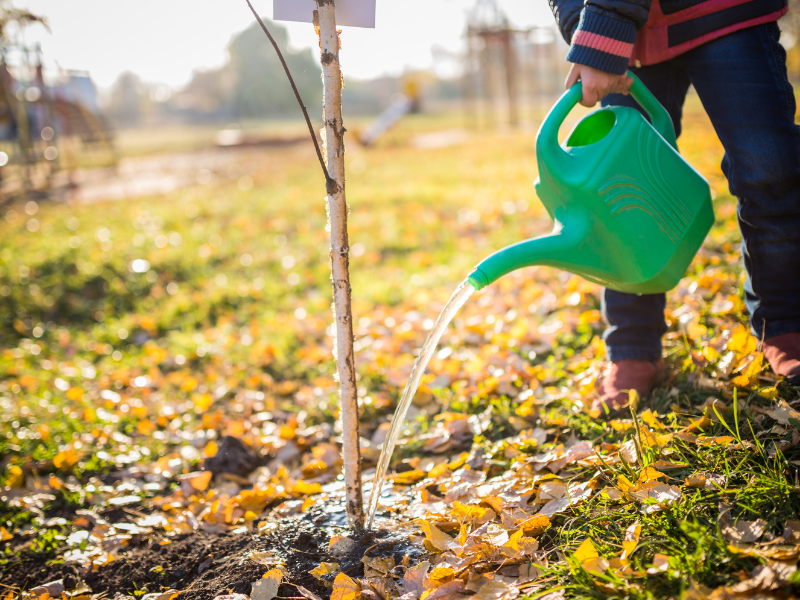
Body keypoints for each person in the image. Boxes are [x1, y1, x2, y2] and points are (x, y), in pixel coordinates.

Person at [546, 0, 800, 413]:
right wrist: (585, 26)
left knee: (770, 169)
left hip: (723, 11)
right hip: (632, 41)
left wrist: (602, 30)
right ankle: (632, 345)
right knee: (622, 195)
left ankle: (786, 324)